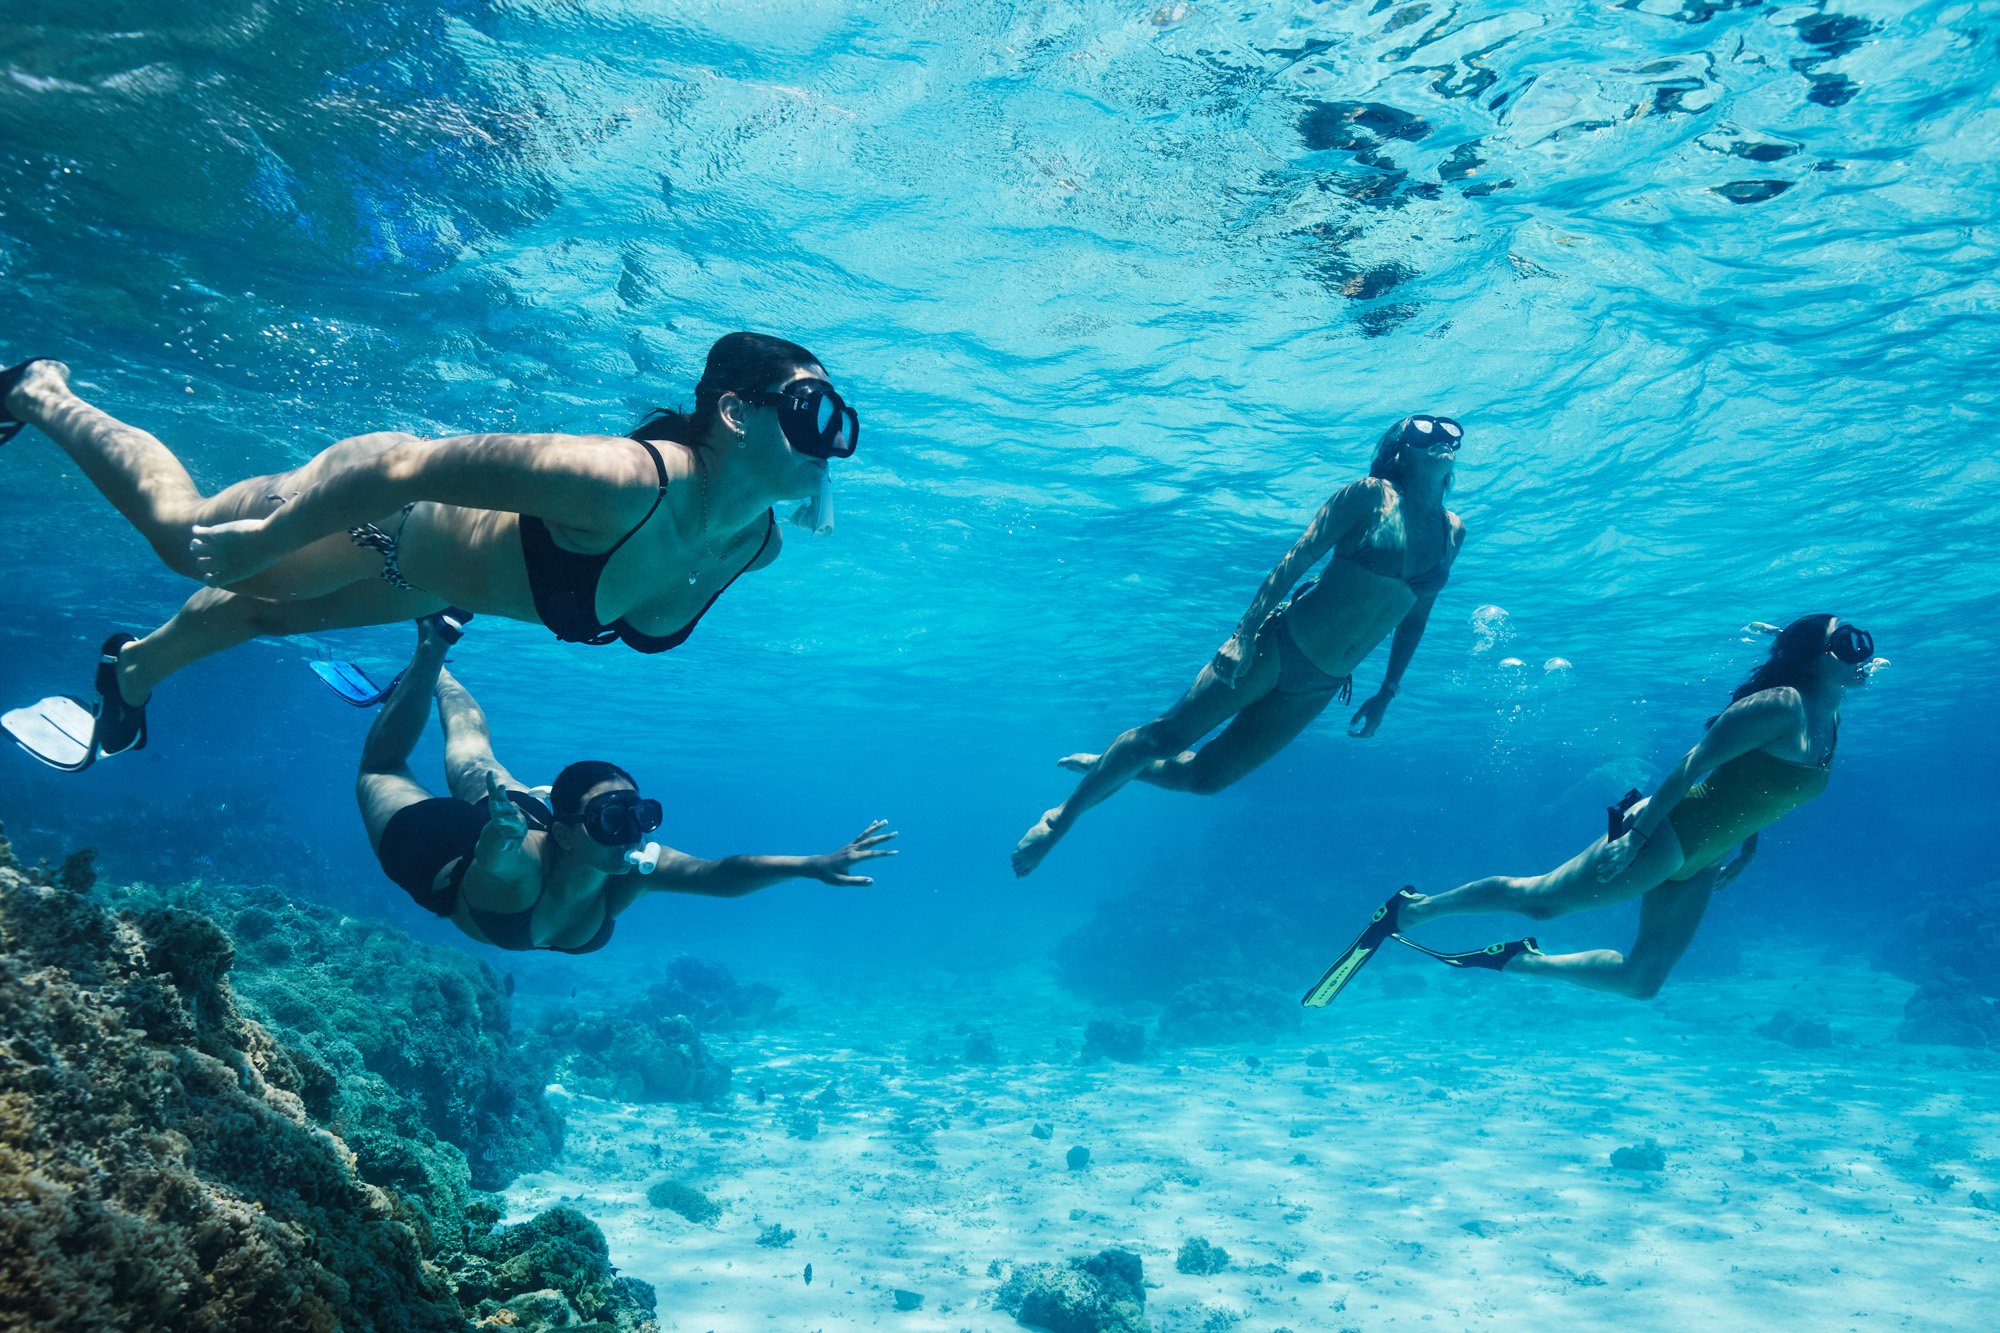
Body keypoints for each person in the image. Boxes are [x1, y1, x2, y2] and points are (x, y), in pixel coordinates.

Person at [0, 333, 858, 768]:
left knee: (264, 616)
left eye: (838, 420)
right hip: (384, 511)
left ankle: (130, 674)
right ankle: (39, 391)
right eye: (813, 410)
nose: (832, 439)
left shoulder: (756, 546)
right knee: (183, 539)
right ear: (738, 414)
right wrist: (271, 534)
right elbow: (398, 466)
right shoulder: (621, 480)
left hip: (425, 579)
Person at [1305, 614, 1876, 1005]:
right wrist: (1634, 837)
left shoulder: (1831, 718)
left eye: (1863, 645)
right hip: (1663, 832)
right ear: (1813, 657)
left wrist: (1748, 847)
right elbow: (1693, 765)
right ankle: (1411, 910)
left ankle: (1519, 963)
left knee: (1642, 981)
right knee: (1541, 902)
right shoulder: (1778, 706)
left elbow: (1760, 785)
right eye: (1846, 642)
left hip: (1706, 854)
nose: (1860, 655)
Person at [1010, 414, 1468, 876]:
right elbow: (1296, 558)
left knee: (1206, 779)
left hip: (1322, 683)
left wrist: (1387, 692)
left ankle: (1112, 765)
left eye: (1451, 432)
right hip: (1278, 644)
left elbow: (1416, 617)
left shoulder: (1453, 531)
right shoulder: (1370, 495)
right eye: (1424, 431)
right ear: (1398, 449)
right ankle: (1061, 820)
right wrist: (1241, 635)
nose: (1441, 439)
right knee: (1167, 736)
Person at [356, 613, 898, 954]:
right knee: (383, 768)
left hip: (527, 813)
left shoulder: (628, 869)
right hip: (453, 847)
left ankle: (438, 667)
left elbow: (718, 875)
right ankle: (430, 656)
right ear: (569, 833)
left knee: (475, 750)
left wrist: (811, 865)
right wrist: (497, 843)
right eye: (612, 821)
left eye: (638, 817)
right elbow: (500, 861)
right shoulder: (519, 864)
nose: (631, 837)